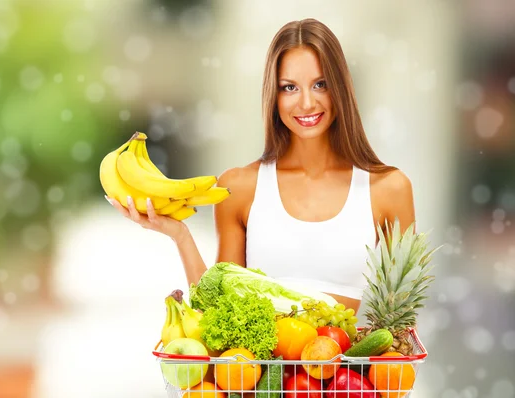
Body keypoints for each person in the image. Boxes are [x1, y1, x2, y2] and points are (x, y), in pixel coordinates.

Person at [106, 18, 414, 312]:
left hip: (350, 368)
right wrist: (180, 235)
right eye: (289, 87)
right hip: (258, 369)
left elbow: (401, 320)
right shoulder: (240, 188)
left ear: (341, 88)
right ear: (273, 95)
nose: (306, 103)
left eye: (320, 84)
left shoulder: (388, 189)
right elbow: (219, 310)